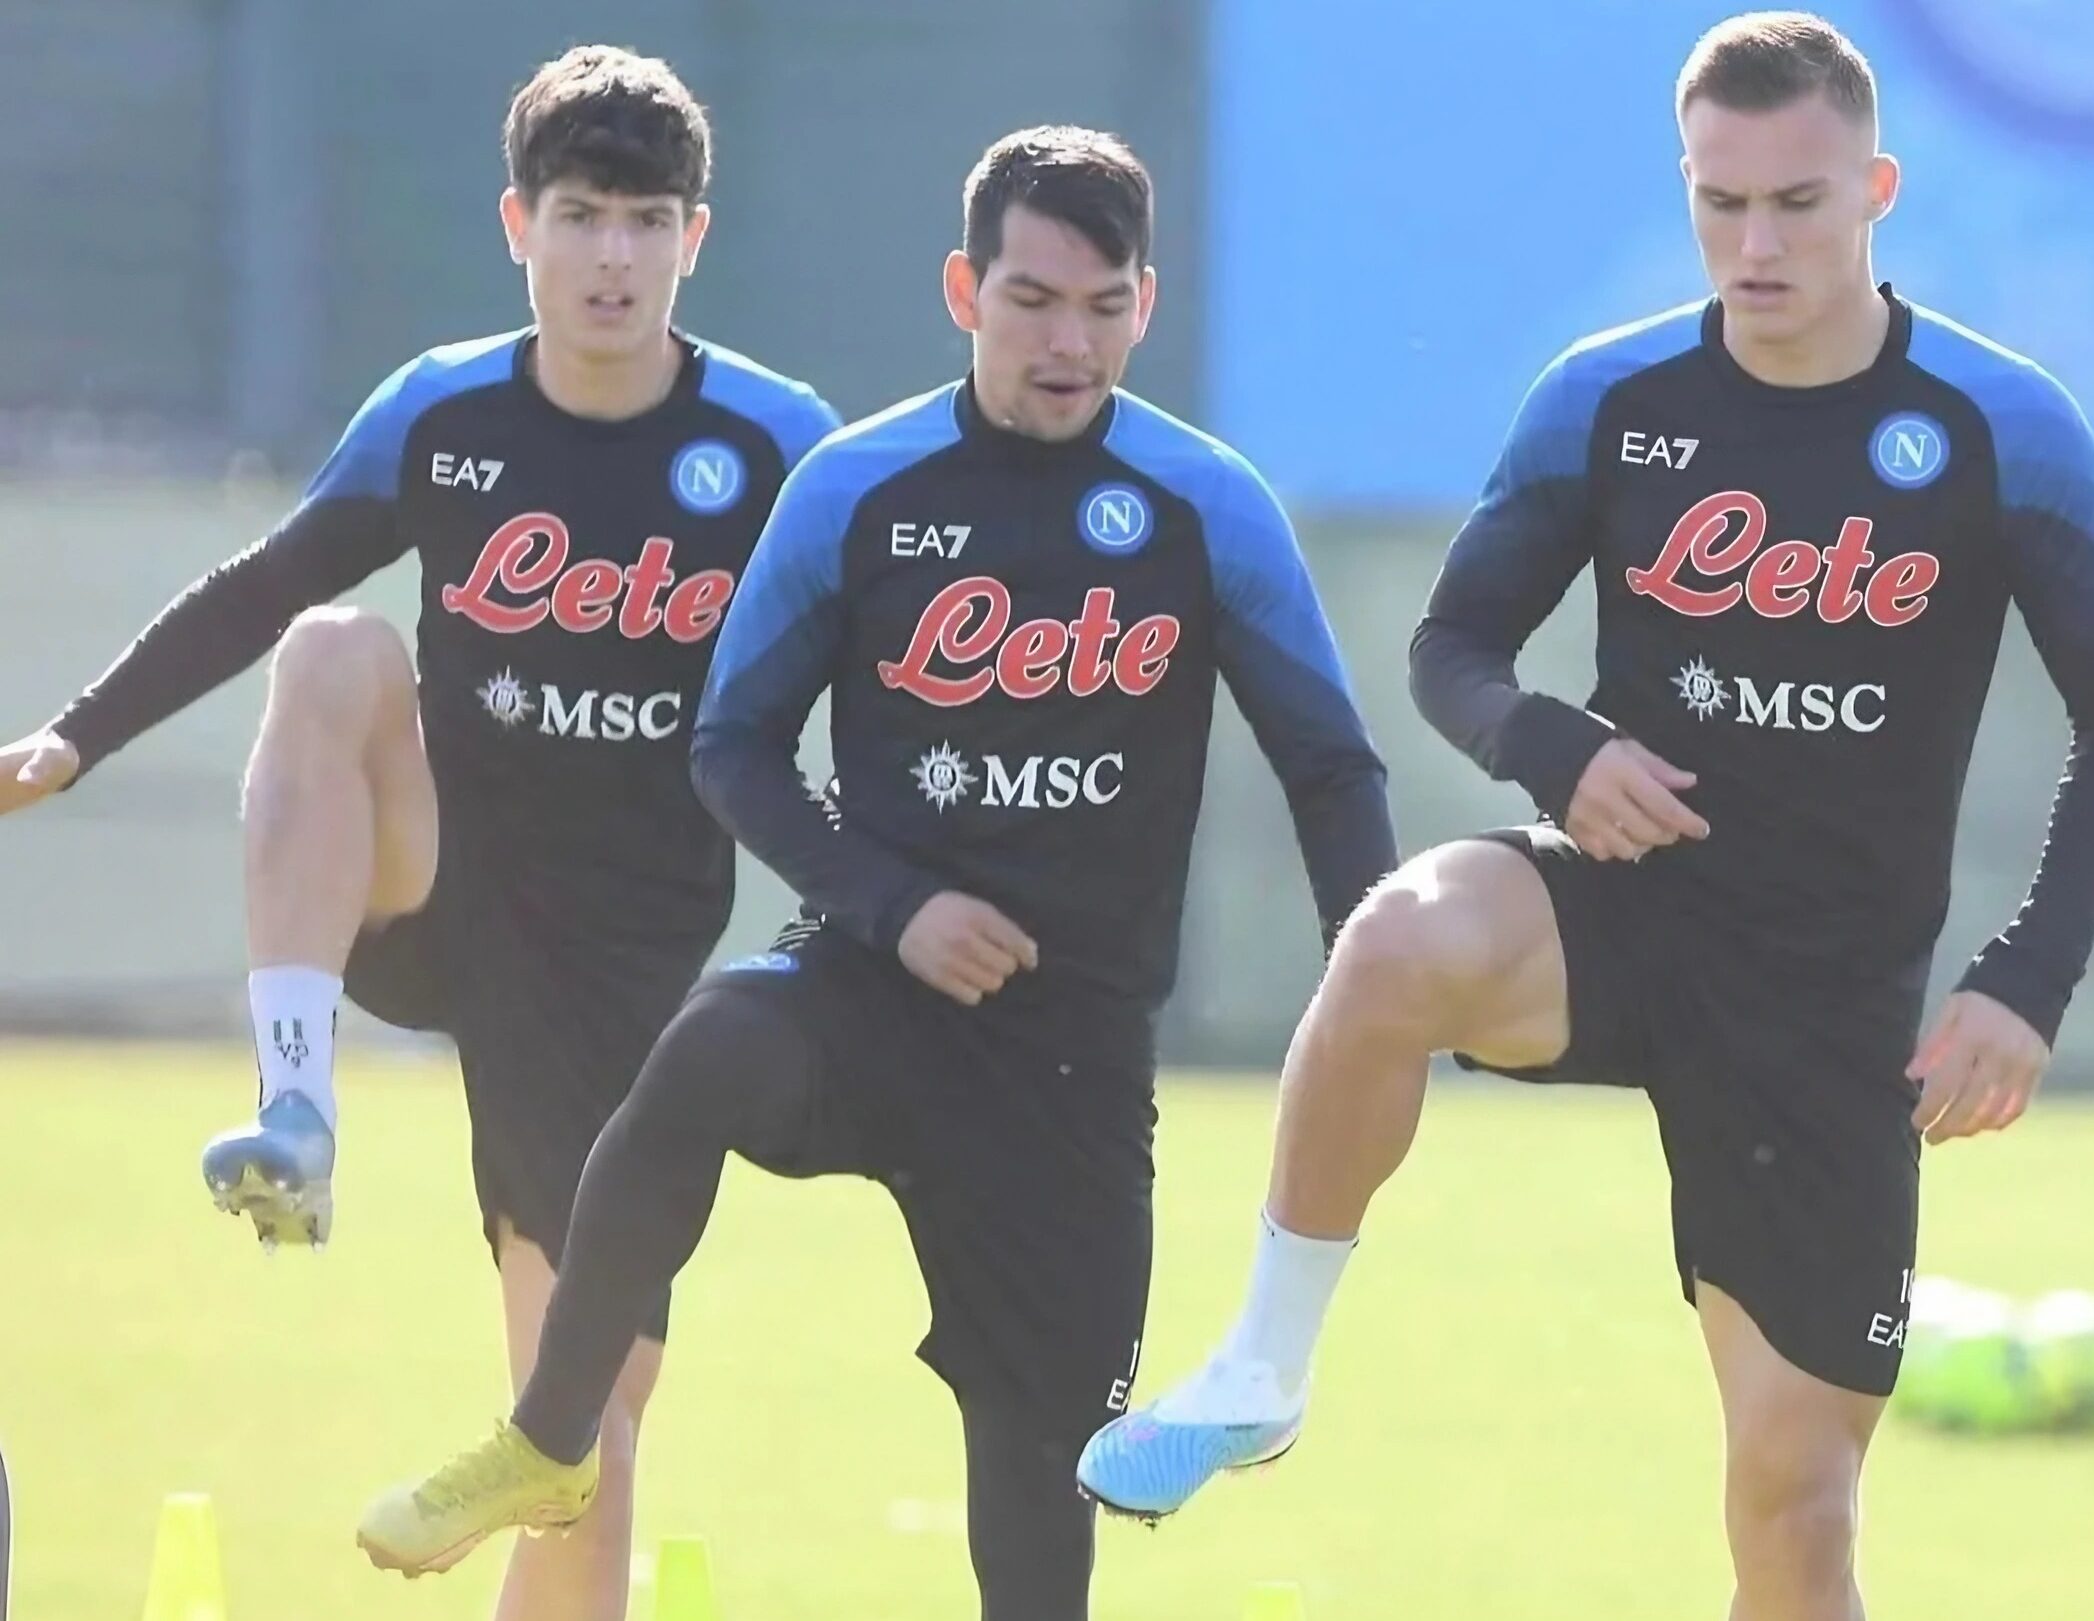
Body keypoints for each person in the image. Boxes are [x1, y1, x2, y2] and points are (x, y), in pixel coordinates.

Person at [1078, 13, 2094, 1619]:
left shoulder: (2002, 426)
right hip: (1625, 914)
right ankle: (1263, 1360)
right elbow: (1455, 646)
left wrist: (2027, 976)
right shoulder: (1611, 397)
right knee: (1397, 939)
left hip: (1827, 1003)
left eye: (1798, 201)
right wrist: (1553, 747)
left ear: (1876, 188)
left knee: (1793, 1517)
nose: (1756, 240)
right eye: (1721, 201)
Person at [353, 123, 1397, 1618]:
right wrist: (896, 905)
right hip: (867, 992)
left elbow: (1332, 767)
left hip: (1070, 1068)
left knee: (1041, 1505)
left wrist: (1376, 975)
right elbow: (734, 749)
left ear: (1144, 308)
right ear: (964, 287)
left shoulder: (1206, 503)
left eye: (1104, 309)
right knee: (706, 1050)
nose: (1068, 341)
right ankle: (551, 1438)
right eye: (1033, 299)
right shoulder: (858, 485)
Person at [0, 46, 838, 1621]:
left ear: (694, 240)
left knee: (577, 1431)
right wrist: (76, 735)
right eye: (580, 214)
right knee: (334, 647)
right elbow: (258, 588)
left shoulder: (784, 440)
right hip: (439, 874)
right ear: (516, 223)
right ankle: (298, 1105)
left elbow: (883, 653)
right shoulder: (442, 411)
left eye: (646, 220)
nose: (611, 255)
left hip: (626, 955)